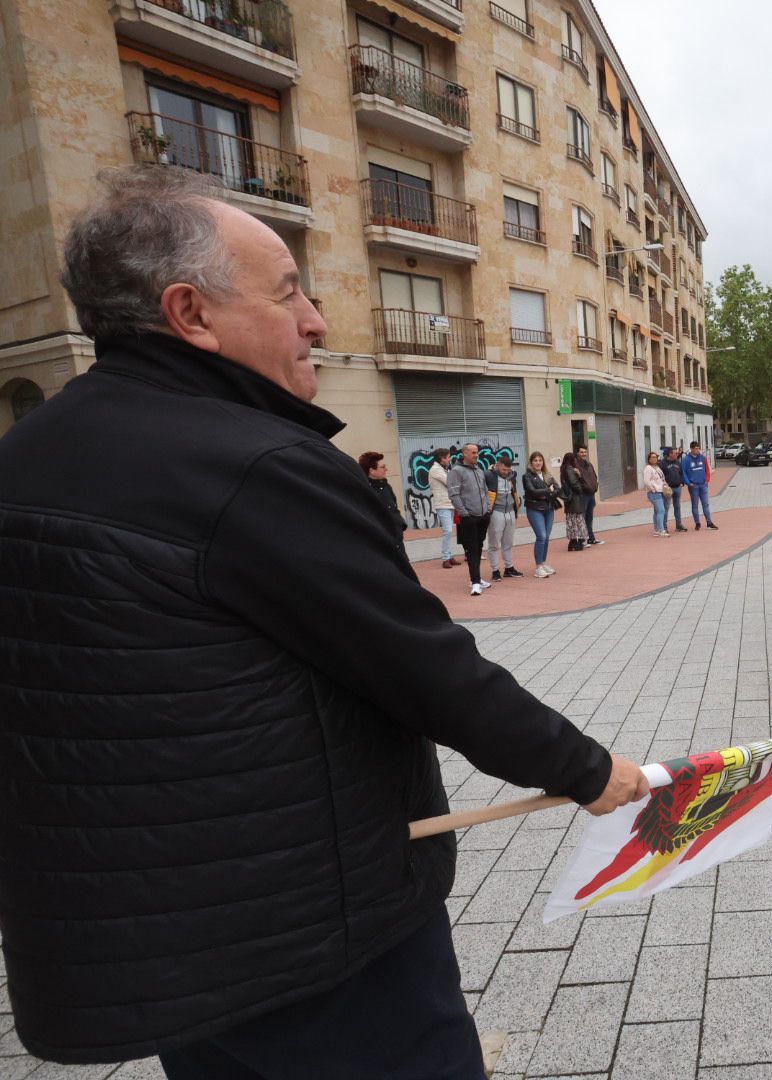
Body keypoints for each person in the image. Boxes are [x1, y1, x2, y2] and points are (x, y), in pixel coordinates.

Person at [0, 165, 649, 1075]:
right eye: (288, 293)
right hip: (309, 926)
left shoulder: (25, 454)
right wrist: (587, 769)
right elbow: (423, 666)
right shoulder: (256, 467)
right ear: (190, 313)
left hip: (158, 936)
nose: (316, 321)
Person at [448, 442, 493, 595]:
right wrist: (464, 513)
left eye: (477, 452)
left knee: (479, 547)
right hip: (469, 518)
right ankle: (475, 583)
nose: (476, 455)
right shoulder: (456, 471)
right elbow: (454, 494)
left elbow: (485, 491)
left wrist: (488, 509)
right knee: (472, 549)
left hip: (483, 516)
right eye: (473, 452)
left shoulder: (479, 470)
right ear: (465, 453)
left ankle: (477, 578)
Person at [359, 450, 408, 557]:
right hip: (381, 545)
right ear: (372, 471)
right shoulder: (365, 491)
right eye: (382, 467)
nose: (386, 469)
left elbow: (394, 508)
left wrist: (400, 524)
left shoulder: (386, 486)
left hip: (397, 541)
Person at [522, 452, 561, 578]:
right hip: (535, 509)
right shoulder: (527, 476)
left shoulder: (547, 475)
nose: (538, 463)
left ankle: (543, 563)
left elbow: (558, 489)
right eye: (535, 460)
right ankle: (538, 567)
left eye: (540, 460)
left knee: (546, 537)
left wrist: (546, 494)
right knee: (541, 536)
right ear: (531, 462)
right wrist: (548, 491)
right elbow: (532, 491)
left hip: (549, 508)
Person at [484, 458, 522, 579]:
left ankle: (509, 568)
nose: (506, 472)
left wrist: (517, 506)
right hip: (496, 512)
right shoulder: (488, 475)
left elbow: (514, 491)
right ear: (498, 466)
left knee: (508, 542)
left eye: (508, 470)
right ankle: (495, 570)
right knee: (494, 543)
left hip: (510, 511)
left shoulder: (512, 475)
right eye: (504, 469)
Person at [427, 447, 457, 568]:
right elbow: (449, 482)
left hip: (449, 503)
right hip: (442, 504)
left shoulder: (443, 468)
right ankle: (445, 558)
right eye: (448, 457)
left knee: (449, 531)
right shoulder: (435, 469)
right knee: (447, 531)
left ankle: (449, 556)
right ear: (441, 458)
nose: (450, 459)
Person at [560, 451, 591, 551]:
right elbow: (574, 483)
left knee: (572, 521)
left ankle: (573, 543)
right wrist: (580, 480)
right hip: (575, 499)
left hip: (570, 500)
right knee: (578, 521)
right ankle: (578, 543)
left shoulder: (563, 469)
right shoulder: (570, 469)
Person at [682, 440, 717, 529]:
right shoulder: (686, 460)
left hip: (703, 485)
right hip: (693, 486)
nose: (698, 450)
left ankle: (709, 523)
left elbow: (707, 470)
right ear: (691, 449)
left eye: (698, 448)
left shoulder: (702, 458)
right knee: (695, 505)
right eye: (696, 449)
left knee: (706, 504)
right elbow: (683, 472)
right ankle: (697, 523)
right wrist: (689, 483)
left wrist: (707, 480)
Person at [575, 444, 603, 545]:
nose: (584, 454)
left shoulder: (589, 464)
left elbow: (594, 476)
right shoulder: (575, 466)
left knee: (589, 518)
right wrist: (583, 487)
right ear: (577, 453)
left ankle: (591, 538)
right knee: (582, 518)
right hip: (582, 495)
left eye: (585, 452)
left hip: (591, 494)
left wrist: (595, 485)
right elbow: (575, 481)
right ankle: (582, 540)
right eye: (581, 452)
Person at [643, 451, 671, 537]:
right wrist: (653, 489)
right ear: (649, 459)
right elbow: (646, 481)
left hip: (661, 491)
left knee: (657, 511)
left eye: (656, 457)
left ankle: (657, 530)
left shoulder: (657, 468)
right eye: (653, 457)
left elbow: (662, 479)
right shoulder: (648, 468)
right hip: (654, 492)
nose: (655, 459)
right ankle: (661, 530)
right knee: (661, 510)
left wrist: (665, 485)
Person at [661, 446, 688, 532]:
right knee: (666, 508)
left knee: (677, 507)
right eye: (675, 453)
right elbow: (660, 476)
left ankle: (679, 525)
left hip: (677, 487)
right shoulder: (662, 463)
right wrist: (664, 485)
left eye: (677, 453)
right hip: (668, 489)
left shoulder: (677, 462)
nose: (677, 454)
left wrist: (682, 481)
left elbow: (681, 472)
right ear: (670, 454)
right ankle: (664, 527)